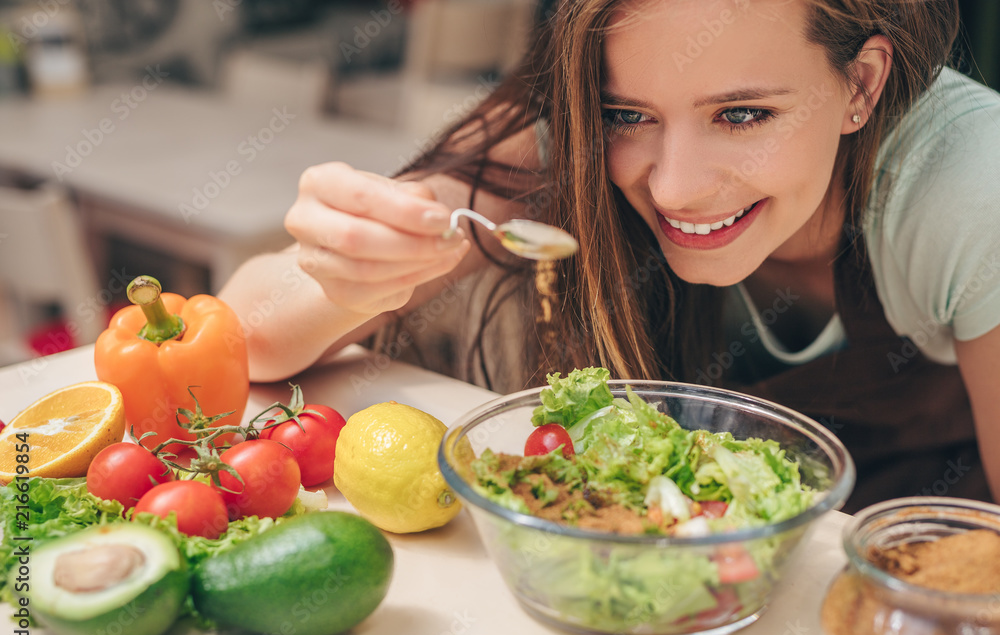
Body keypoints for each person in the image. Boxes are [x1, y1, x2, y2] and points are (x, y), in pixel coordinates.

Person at [219, 0, 1000, 512]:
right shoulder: (559, 131)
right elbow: (246, 331)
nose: (676, 187)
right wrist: (348, 270)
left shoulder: (971, 187)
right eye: (628, 114)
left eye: (743, 114)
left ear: (861, 83)